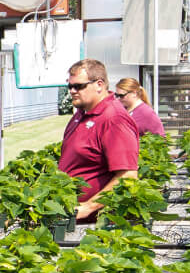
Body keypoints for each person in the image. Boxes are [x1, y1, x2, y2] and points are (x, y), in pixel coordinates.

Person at [59, 59, 139, 221]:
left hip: (95, 223)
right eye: (70, 86)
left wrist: (88, 207)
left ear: (99, 85)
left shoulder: (114, 119)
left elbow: (128, 175)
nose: (73, 91)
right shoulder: (82, 113)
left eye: (79, 86)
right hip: (69, 214)